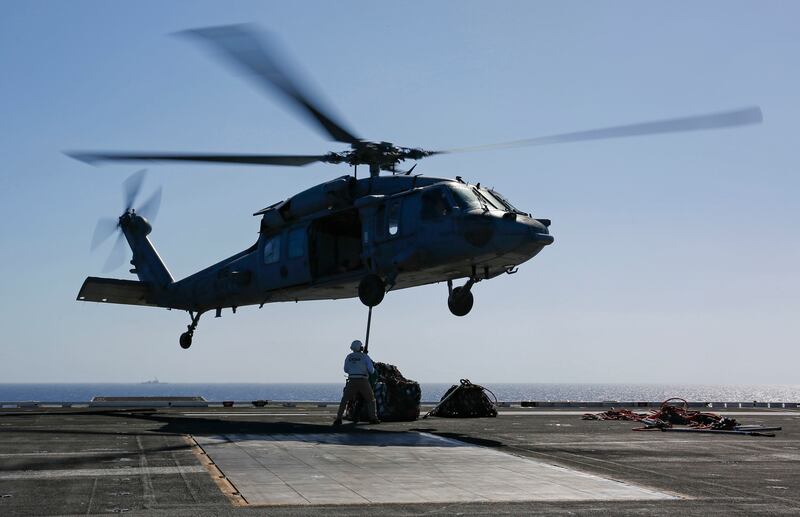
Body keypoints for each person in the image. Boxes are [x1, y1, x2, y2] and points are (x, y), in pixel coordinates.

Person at [333, 339, 379, 425]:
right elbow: (371, 370)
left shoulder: (349, 357)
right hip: (363, 380)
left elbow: (345, 369)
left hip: (352, 380)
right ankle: (373, 418)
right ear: (360, 347)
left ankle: (338, 418)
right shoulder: (365, 357)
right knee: (370, 399)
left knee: (345, 400)